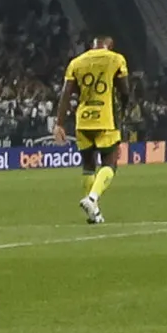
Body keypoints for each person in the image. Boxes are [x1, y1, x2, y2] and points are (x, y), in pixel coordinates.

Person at [59, 35, 134, 225]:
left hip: (83, 120)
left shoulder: (76, 63)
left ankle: (94, 213)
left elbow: (66, 93)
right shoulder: (116, 59)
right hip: (106, 118)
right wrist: (125, 108)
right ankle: (92, 199)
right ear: (110, 45)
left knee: (88, 165)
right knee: (110, 162)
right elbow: (125, 90)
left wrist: (59, 123)